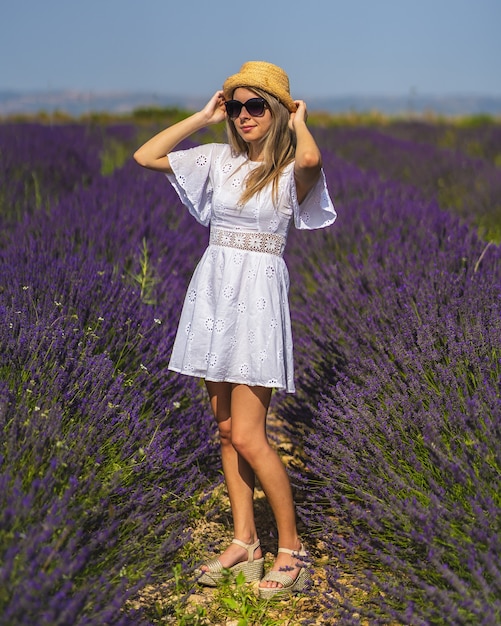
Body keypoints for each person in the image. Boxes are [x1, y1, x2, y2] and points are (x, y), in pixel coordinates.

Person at [134, 61, 336, 599]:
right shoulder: (218, 161)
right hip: (214, 296)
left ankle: (291, 548)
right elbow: (145, 156)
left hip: (257, 304)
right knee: (225, 431)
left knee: (250, 434)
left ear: (277, 111)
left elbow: (313, 155)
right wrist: (203, 116)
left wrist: (298, 121)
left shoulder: (291, 170)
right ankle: (245, 541)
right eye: (237, 105)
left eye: (257, 106)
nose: (245, 116)